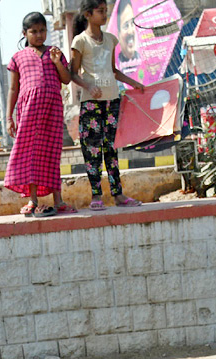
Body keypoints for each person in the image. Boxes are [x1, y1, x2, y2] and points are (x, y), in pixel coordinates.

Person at [69, 0, 145, 210]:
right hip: (91, 103)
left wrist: (134, 83)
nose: (105, 15)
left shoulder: (111, 39)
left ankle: (118, 194)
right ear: (87, 14)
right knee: (92, 151)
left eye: (105, 11)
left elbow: (113, 70)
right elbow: (72, 73)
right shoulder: (80, 41)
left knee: (111, 149)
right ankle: (96, 196)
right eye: (100, 11)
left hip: (112, 100)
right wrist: (88, 85)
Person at [6, 11, 75, 217]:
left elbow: (66, 79)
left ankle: (58, 200)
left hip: (52, 110)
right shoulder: (17, 58)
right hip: (28, 111)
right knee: (31, 154)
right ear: (24, 33)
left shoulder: (56, 53)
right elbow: (13, 89)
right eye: (34, 31)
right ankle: (32, 199)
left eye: (42, 30)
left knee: (52, 154)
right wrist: (9, 117)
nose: (39, 35)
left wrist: (56, 62)